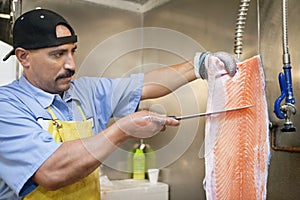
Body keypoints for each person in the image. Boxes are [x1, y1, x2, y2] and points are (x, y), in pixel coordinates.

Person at [0, 8, 237, 200]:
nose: (71, 64)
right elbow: (51, 171)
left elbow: (148, 84)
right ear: (23, 57)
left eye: (73, 51)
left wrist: (198, 65)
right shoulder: (7, 105)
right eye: (58, 54)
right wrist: (123, 130)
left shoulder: (86, 91)